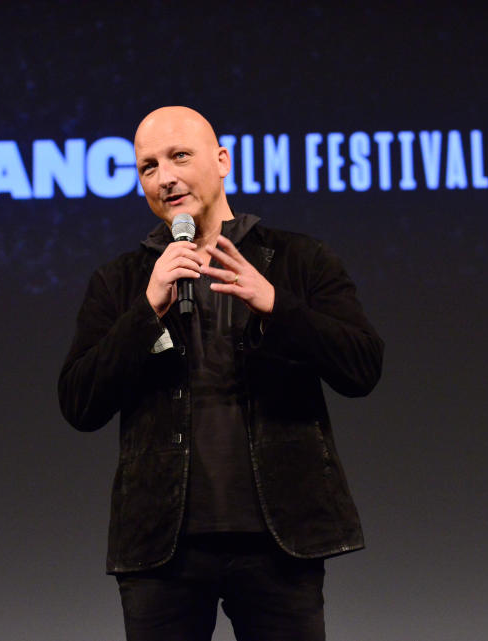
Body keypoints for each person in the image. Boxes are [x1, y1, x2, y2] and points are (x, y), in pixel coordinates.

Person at [58, 106, 383, 640]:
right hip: (162, 548)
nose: (165, 178)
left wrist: (278, 305)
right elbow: (78, 402)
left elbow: (362, 367)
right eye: (148, 167)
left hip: (279, 540)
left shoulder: (298, 260)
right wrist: (146, 312)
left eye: (178, 156)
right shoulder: (121, 281)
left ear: (222, 160)